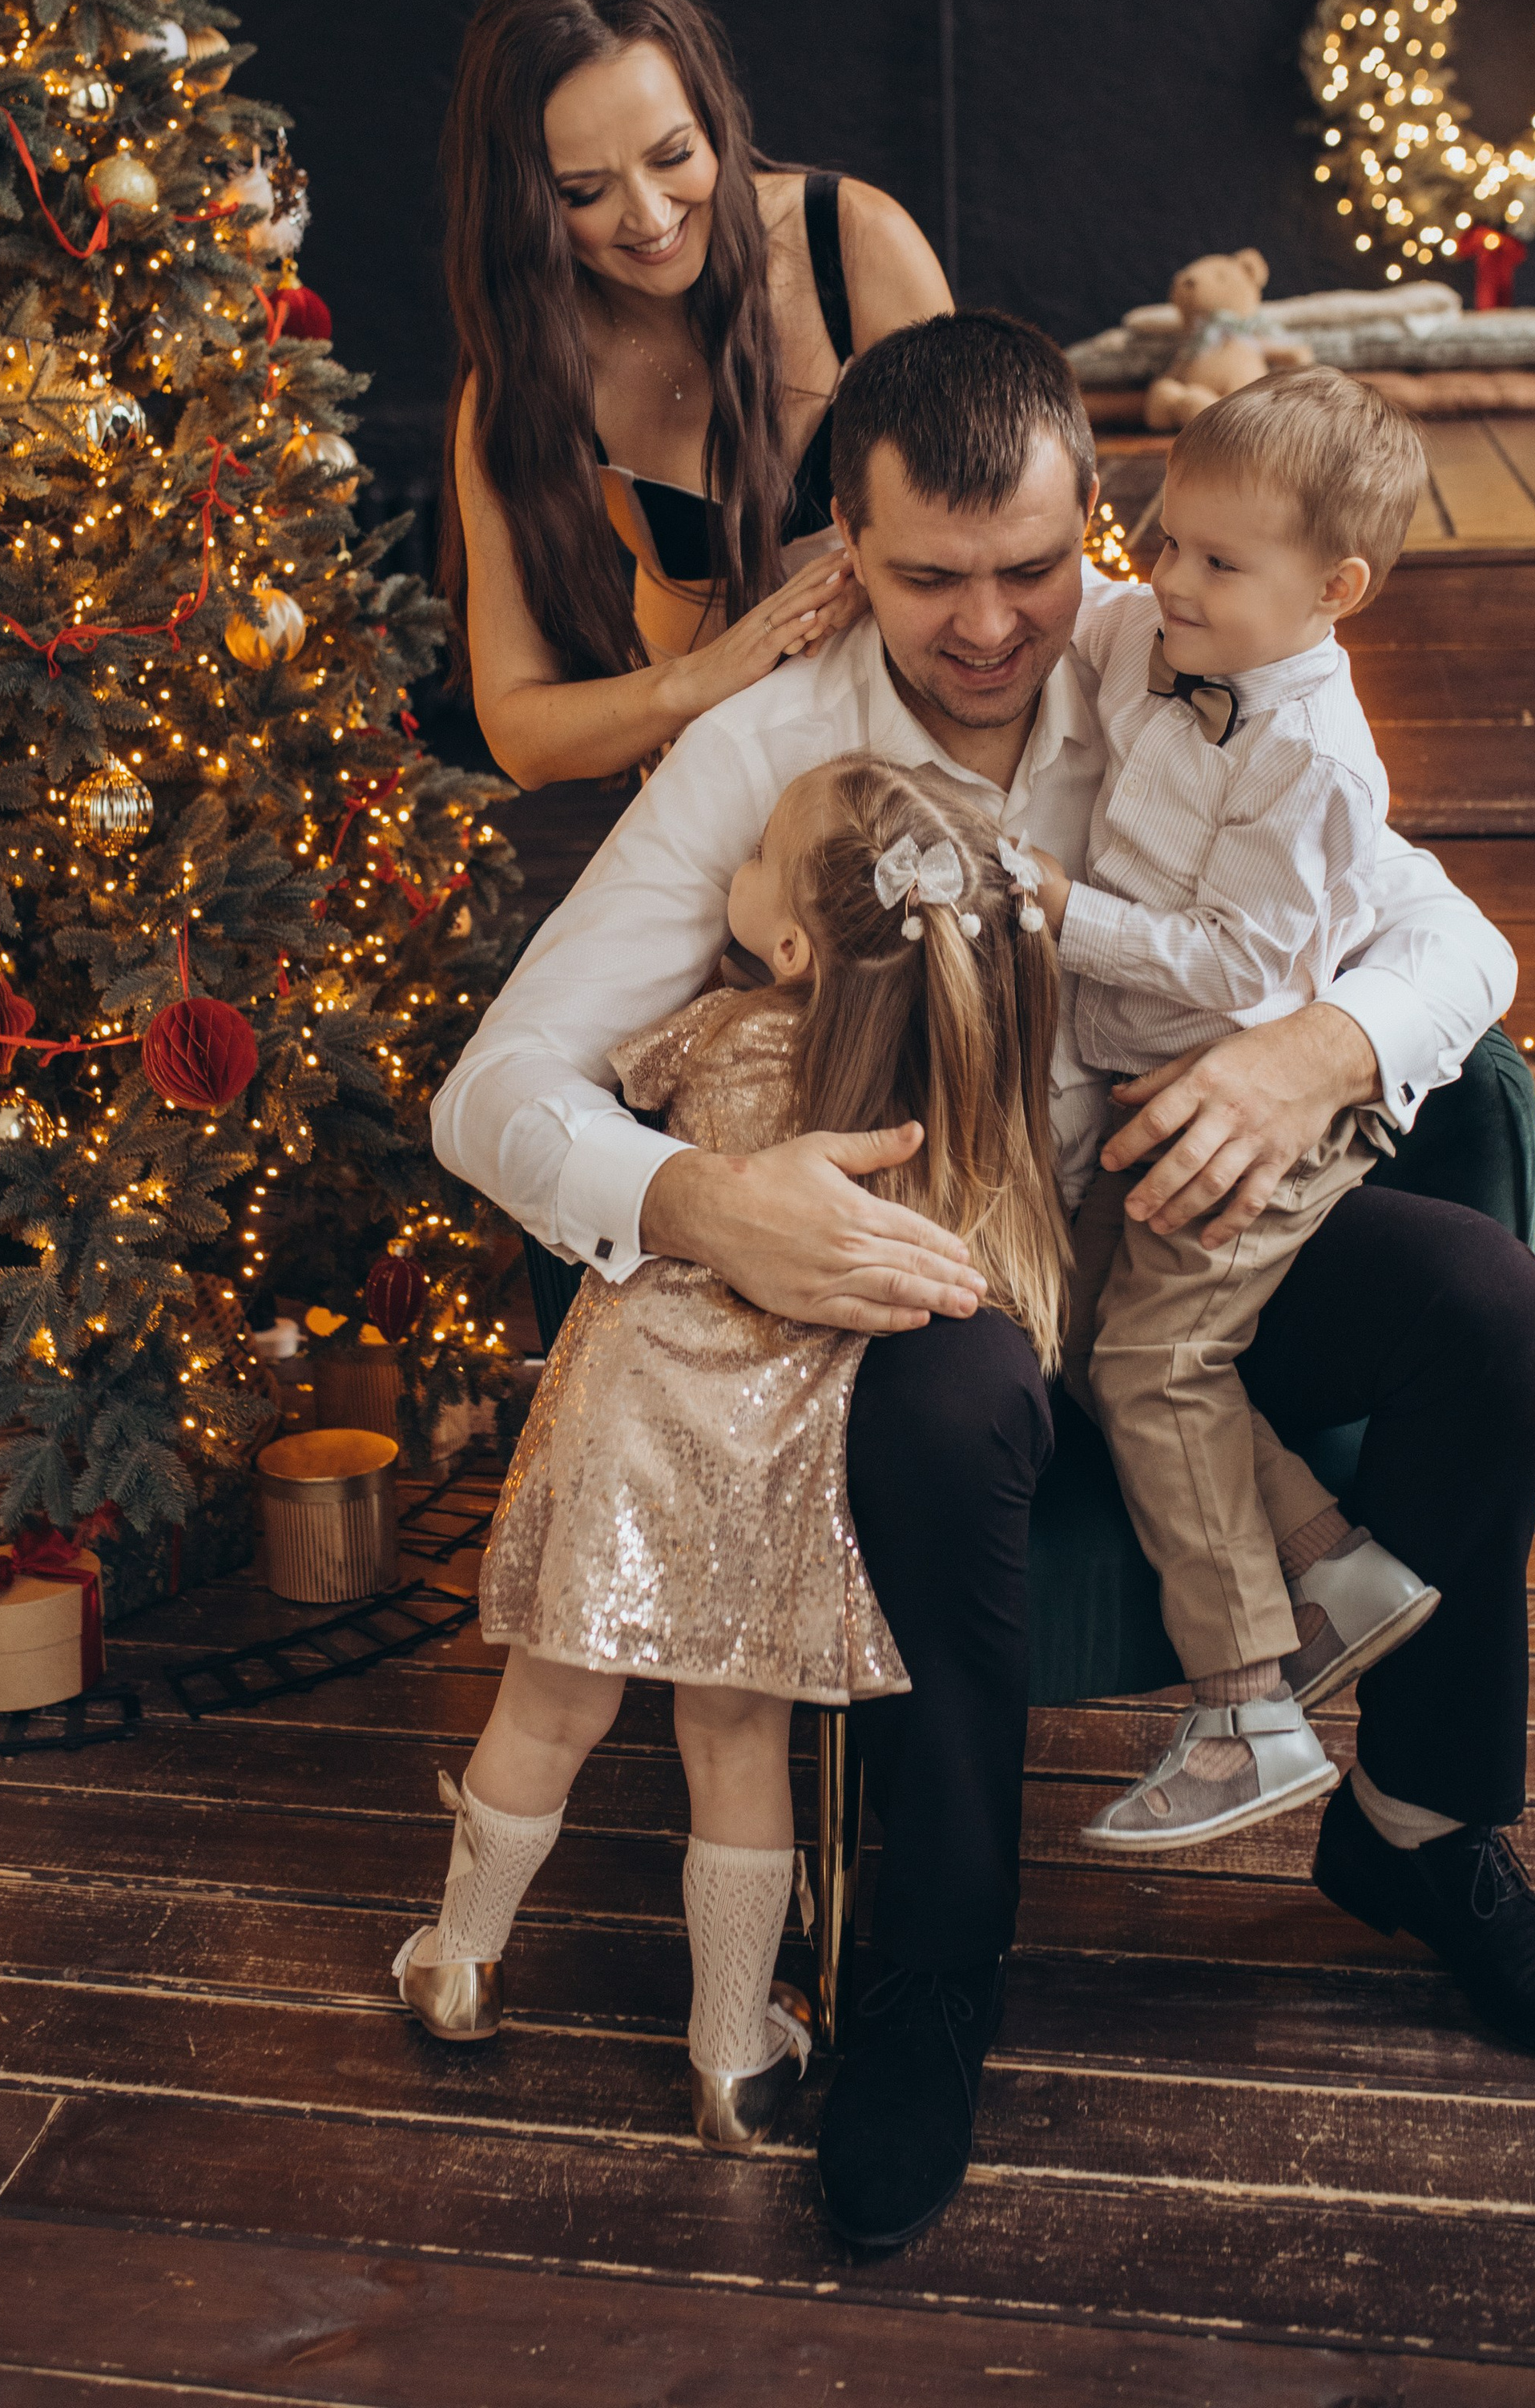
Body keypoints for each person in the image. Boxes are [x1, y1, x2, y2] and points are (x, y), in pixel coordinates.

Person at [433, 309, 1535, 2257]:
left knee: (1486, 1309)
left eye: (1033, 564)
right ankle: (933, 1971)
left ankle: (1421, 1834)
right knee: (948, 1412)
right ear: (846, 546)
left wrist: (1316, 1049)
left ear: (1087, 523)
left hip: (1174, 1220)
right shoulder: (753, 750)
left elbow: (1451, 937)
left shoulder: (1172, 640)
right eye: (929, 579)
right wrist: (700, 1198)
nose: (996, 623)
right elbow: (493, 1084)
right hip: (943, 1251)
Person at [396, 754, 1071, 2160]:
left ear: (786, 943)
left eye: (755, 854)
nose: (735, 869)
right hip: (763, 1466)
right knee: (736, 1740)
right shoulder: (920, 1103)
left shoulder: (710, 1033)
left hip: (625, 1427)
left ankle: (460, 1959)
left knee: (546, 1713)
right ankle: (731, 2058)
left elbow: (594, 1098)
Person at [1013, 372, 1441, 1852]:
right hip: (1149, 1087)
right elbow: (1065, 605)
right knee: (1070, 1319)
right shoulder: (1160, 629)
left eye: (1217, 561)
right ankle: (1338, 1567)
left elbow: (1252, 976)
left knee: (1151, 1359)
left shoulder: (1316, 762)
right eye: (1165, 540)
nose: (1168, 579)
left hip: (1260, 1103)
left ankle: (1246, 1706)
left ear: (1333, 592)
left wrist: (1066, 917)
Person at [435, 0, 953, 787]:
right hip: (717, 760)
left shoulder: (853, 243)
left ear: (711, 120)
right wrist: (699, 681)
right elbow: (520, 733)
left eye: (672, 154)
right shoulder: (523, 379)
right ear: (527, 202)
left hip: (925, 714)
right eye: (583, 192)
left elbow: (987, 524)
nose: (647, 216)